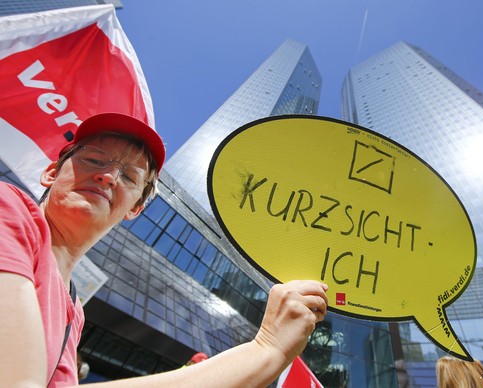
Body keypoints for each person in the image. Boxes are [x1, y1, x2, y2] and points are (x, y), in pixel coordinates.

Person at [0, 112, 329, 387]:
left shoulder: (74, 310)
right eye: (94, 159)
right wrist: (265, 350)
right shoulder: (8, 207)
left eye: (130, 177)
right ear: (51, 173)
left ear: (135, 209)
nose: (109, 176)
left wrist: (266, 348)